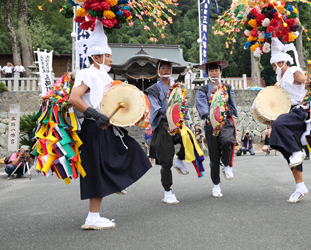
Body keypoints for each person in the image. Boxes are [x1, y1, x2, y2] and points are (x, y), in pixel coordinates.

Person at [69, 20, 151, 230]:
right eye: (108, 55)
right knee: (96, 169)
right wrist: (95, 115)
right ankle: (92, 217)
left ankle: (115, 184)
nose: (111, 59)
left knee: (132, 152)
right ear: (96, 57)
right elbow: (74, 98)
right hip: (93, 127)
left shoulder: (102, 75)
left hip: (106, 126)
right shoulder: (87, 73)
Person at [268, 38, 310, 203]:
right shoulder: (281, 79)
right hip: (290, 113)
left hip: (300, 112)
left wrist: (309, 84)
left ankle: (298, 152)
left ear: (281, 62)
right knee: (288, 153)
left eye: (274, 65)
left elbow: (305, 80)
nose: (273, 68)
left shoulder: (292, 70)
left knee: (279, 124)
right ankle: (300, 187)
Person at [145, 58, 189, 205]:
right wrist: (169, 113)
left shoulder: (177, 86)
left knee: (189, 139)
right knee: (165, 161)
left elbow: (183, 103)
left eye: (168, 68)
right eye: (163, 68)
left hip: (177, 124)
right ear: (158, 71)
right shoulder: (153, 89)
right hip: (163, 125)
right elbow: (155, 108)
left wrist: (182, 116)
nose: (166, 70)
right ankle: (168, 192)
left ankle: (180, 160)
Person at [195, 60, 237, 198]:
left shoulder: (227, 87)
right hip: (211, 124)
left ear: (220, 72)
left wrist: (229, 111)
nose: (214, 73)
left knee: (227, 141)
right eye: (211, 70)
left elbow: (231, 104)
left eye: (216, 70)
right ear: (207, 73)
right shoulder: (203, 90)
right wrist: (208, 116)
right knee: (214, 156)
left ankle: (226, 164)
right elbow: (202, 106)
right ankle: (216, 185)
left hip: (225, 122)